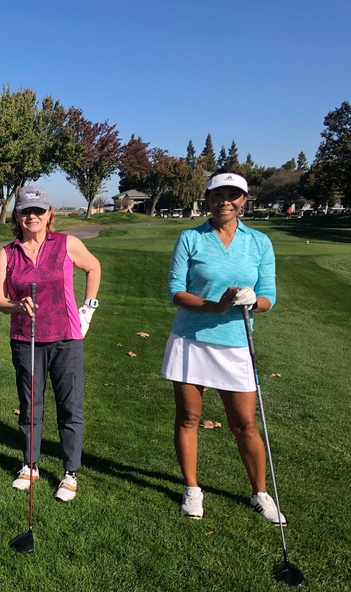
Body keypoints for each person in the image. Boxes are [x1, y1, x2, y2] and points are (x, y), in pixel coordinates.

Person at [162, 170, 285, 525]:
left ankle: (260, 493)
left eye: (233, 195)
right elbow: (175, 291)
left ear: (244, 200)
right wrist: (214, 306)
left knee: (244, 423)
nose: (225, 202)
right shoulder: (191, 237)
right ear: (208, 199)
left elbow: (269, 296)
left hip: (236, 343)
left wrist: (253, 301)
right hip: (191, 339)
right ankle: (192, 488)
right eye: (218, 195)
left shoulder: (259, 242)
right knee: (189, 418)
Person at [0, 185, 101, 502]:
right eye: (26, 210)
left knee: (69, 407)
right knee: (30, 407)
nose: (32, 216)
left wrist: (88, 309)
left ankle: (70, 472)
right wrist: (15, 305)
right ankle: (30, 465)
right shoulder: (7, 253)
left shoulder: (67, 244)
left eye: (38, 210)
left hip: (66, 338)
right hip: (26, 340)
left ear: (49, 213)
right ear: (17, 215)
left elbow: (93, 267)